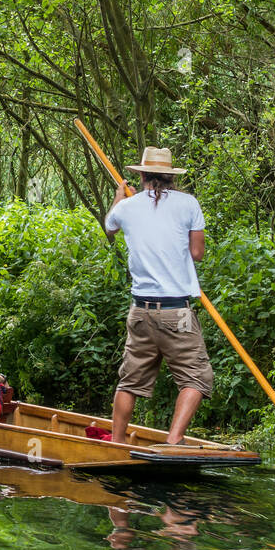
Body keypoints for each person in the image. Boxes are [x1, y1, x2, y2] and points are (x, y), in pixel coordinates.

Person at [104, 146, 213, 445]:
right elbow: (197, 253)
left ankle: (116, 442)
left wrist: (117, 199)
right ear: (170, 177)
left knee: (129, 382)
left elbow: (109, 228)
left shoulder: (126, 208)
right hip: (177, 312)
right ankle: (174, 441)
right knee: (196, 379)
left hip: (140, 312)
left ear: (141, 176)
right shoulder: (189, 204)